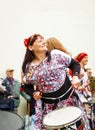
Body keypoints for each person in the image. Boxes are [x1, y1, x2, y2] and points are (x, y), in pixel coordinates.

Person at [22, 34, 81, 130]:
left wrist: (75, 77)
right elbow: (26, 86)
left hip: (68, 102)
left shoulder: (55, 54)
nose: (44, 42)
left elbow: (75, 64)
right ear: (30, 47)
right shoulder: (29, 67)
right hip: (48, 108)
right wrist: (34, 92)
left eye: (43, 40)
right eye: (39, 41)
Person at [75, 52, 92, 130]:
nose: (87, 59)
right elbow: (74, 83)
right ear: (80, 58)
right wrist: (79, 87)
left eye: (87, 57)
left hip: (86, 98)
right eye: (85, 58)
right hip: (79, 98)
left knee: (87, 117)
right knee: (82, 117)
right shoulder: (77, 69)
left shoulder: (83, 70)